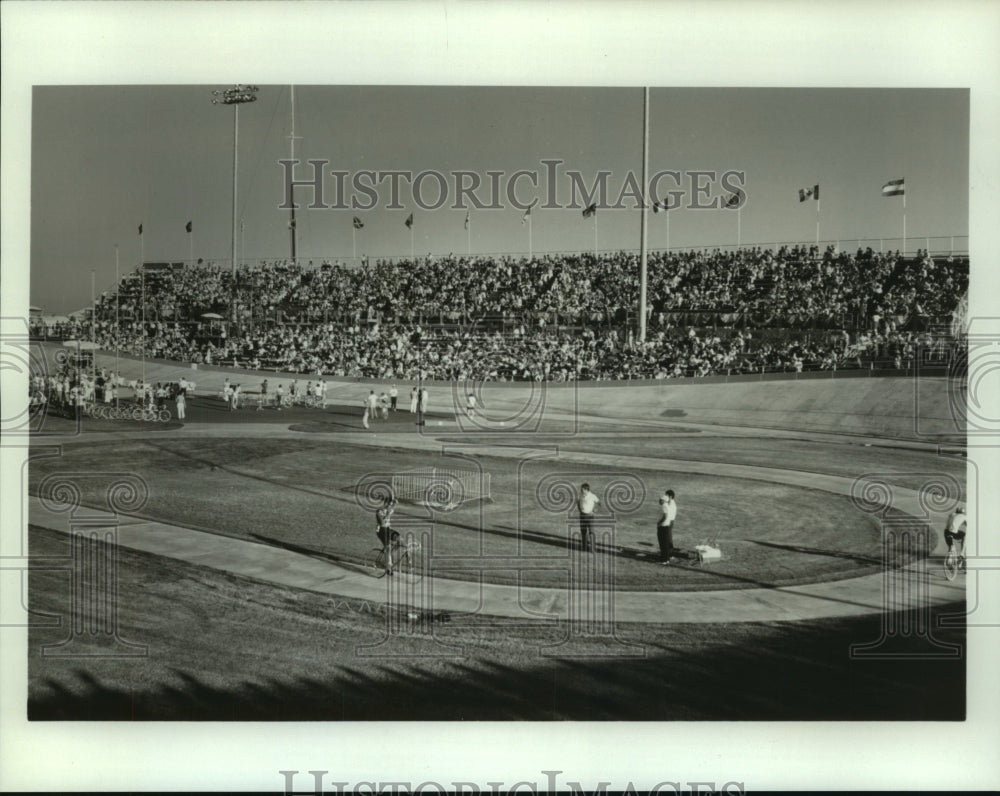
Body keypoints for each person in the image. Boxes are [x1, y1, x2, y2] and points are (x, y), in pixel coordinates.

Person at [375, 495, 400, 575]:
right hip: (381, 531)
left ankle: (389, 555)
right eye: (389, 504)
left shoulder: (389, 509)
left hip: (388, 530)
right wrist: (388, 514)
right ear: (385, 503)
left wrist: (395, 502)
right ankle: (388, 567)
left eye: (390, 504)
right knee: (388, 547)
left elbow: (395, 505)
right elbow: (382, 523)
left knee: (399, 539)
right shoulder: (379, 511)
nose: (390, 506)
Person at [577, 483, 600, 552]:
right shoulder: (580, 495)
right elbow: (578, 502)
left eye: (582, 490)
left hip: (590, 516)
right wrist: (579, 510)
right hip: (582, 516)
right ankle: (584, 547)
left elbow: (599, 503)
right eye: (581, 489)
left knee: (591, 532)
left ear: (587, 490)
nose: (581, 491)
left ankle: (592, 548)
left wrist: (595, 509)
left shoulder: (592, 496)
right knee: (583, 532)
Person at [657, 489, 678, 562]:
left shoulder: (670, 504)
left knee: (667, 539)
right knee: (667, 539)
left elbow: (666, 515)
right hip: (669, 521)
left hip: (668, 522)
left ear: (670, 496)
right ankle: (668, 554)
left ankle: (668, 555)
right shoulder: (669, 503)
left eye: (667, 495)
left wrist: (659, 523)